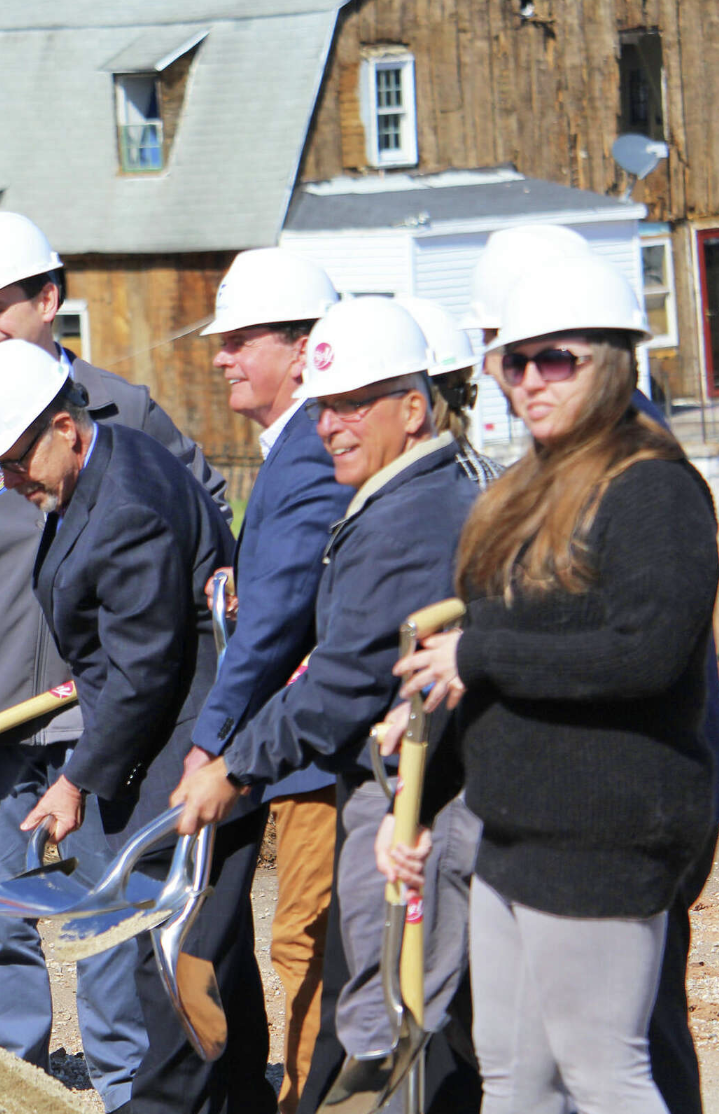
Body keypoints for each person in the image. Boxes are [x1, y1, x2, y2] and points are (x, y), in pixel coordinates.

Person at [0, 211, 227, 1107]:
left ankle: (124, 1083)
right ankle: (18, 1078)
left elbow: (203, 513)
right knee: (5, 912)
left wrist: (215, 581)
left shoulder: (126, 409)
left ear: (50, 299)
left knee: (107, 913)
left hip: (112, 713)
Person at [384, 253, 718, 1114]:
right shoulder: (522, 493)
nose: (529, 380)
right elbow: (485, 663)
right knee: (514, 1078)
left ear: (610, 361)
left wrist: (478, 659)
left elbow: (647, 654)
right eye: (514, 361)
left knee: (604, 1074)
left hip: (606, 832)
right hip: (515, 828)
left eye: (556, 359)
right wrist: (417, 799)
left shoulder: (652, 489)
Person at [168, 297, 484, 1107]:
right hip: (394, 774)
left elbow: (332, 666)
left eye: (352, 404)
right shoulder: (417, 486)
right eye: (328, 404)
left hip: (409, 798)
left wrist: (227, 758)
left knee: (384, 1020)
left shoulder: (404, 512)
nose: (331, 424)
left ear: (413, 408)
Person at [0, 339, 270, 1114]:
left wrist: (74, 780)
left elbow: (142, 676)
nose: (11, 481)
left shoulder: (126, 508)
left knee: (170, 964)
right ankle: (244, 1100)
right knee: (212, 962)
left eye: (17, 461)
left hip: (181, 760)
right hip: (161, 742)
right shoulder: (103, 460)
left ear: (65, 427)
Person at [190, 248, 351, 1113]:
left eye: (241, 340)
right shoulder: (291, 447)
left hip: (311, 746)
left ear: (302, 348)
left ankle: (309, 1097)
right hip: (289, 743)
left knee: (307, 943)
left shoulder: (313, 446)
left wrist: (212, 738)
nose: (222, 357)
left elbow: (282, 615)